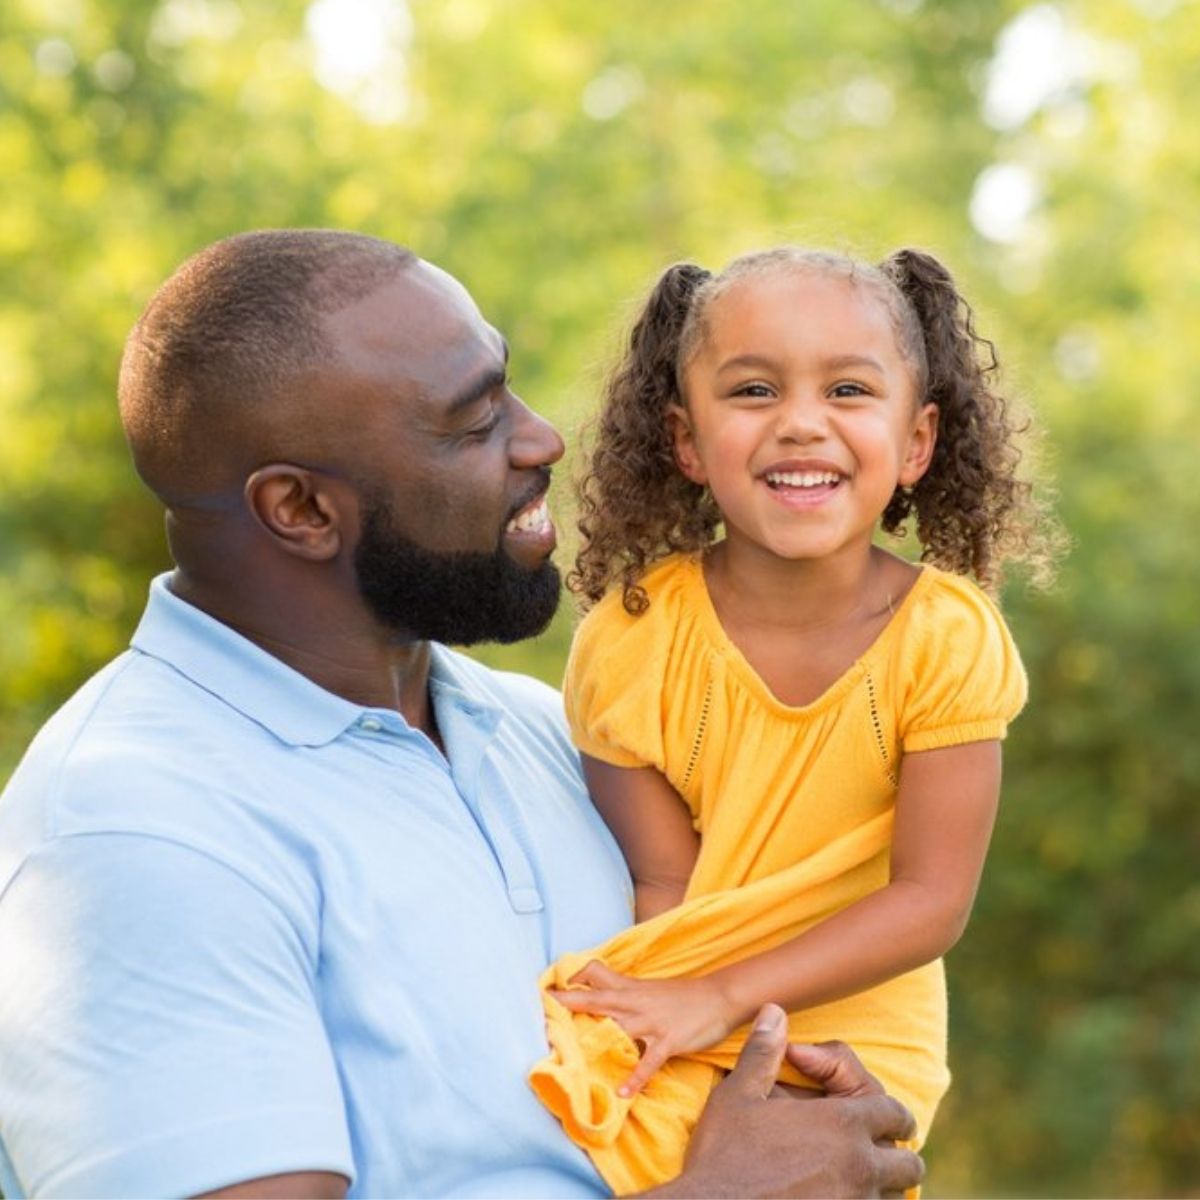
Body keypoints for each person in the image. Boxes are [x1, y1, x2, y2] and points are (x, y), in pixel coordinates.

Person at [0, 230, 925, 1200]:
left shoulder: (550, 736)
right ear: (302, 511)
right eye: (475, 422)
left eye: (507, 388)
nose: (541, 439)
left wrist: (810, 1114)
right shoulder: (133, 837)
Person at [528, 247, 1057, 1195]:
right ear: (687, 441)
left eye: (849, 389)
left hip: (858, 1026)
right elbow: (666, 883)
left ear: (917, 441)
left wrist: (723, 1002)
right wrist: (674, 1017)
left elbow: (931, 901)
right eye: (754, 391)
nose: (802, 424)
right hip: (689, 997)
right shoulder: (631, 636)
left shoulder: (946, 639)